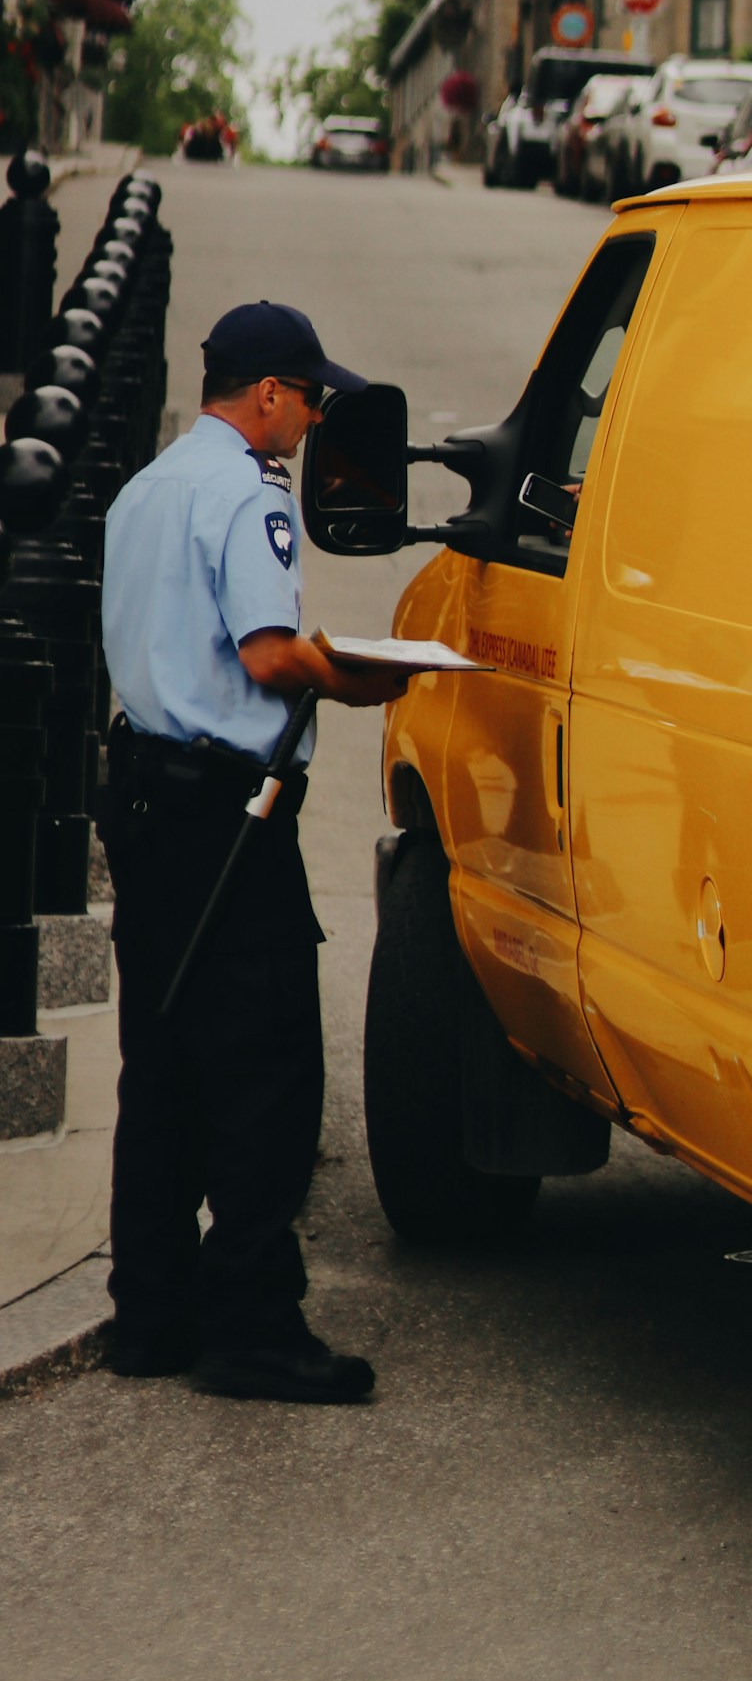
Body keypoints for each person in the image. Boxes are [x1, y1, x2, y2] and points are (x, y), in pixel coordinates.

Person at [100, 300, 411, 1403]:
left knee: (166, 1062)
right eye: (311, 397)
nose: (316, 418)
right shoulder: (246, 496)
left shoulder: (147, 486)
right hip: (227, 815)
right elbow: (271, 655)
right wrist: (369, 675)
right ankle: (252, 1327)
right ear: (269, 394)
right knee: (268, 1068)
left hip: (142, 800)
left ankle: (149, 1314)